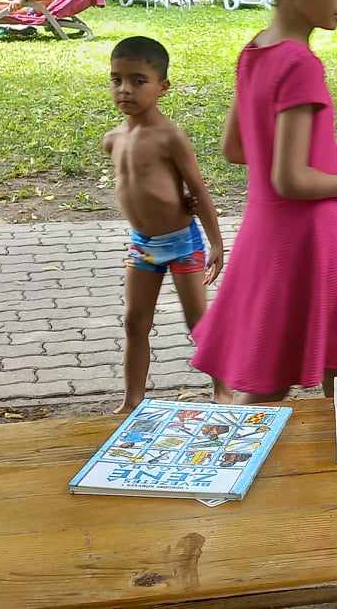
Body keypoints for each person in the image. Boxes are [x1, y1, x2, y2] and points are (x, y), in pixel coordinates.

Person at [191, 0, 337, 404]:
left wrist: (323, 152)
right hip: (311, 241)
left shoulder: (255, 51)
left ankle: (242, 449)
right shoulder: (301, 64)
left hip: (265, 237)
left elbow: (237, 148)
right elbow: (291, 179)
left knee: (266, 379)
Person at [103, 36, 226, 414]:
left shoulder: (170, 137)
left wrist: (216, 243)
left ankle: (224, 390)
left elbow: (198, 191)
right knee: (134, 322)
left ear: (163, 86)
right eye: (117, 80)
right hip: (141, 246)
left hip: (182, 244)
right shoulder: (113, 139)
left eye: (138, 80)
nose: (125, 89)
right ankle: (132, 400)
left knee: (198, 322)